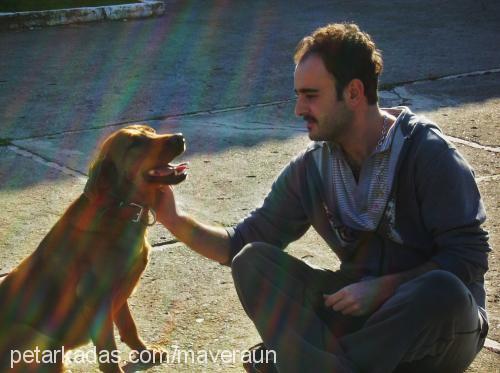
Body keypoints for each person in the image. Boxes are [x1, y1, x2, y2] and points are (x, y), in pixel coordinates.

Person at [153, 23, 490, 372]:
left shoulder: (426, 154)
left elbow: (469, 257)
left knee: (441, 291)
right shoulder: (312, 169)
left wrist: (385, 288)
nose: (299, 108)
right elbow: (240, 242)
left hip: (434, 328)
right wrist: (173, 220)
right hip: (356, 312)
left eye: (311, 95)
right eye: (298, 95)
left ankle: (305, 362)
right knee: (252, 261)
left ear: (354, 92)